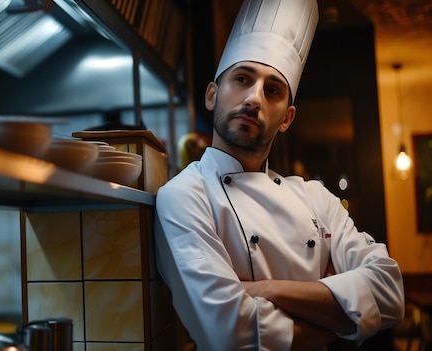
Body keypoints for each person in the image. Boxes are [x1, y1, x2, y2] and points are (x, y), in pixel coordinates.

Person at [154, 0, 405, 350]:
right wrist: (344, 319)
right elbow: (229, 334)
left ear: (286, 118)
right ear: (212, 95)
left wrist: (265, 291)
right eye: (242, 79)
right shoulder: (183, 196)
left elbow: (390, 293)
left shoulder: (316, 198)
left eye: (272, 90)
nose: (254, 98)